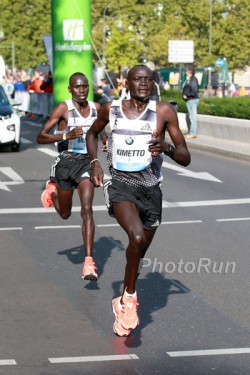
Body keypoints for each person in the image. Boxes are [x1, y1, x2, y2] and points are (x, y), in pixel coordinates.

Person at [86, 64, 191, 336]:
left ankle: (121, 301)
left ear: (153, 83)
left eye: (148, 79)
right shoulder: (111, 109)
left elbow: (185, 157)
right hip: (122, 186)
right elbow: (92, 133)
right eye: (137, 79)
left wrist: (167, 147)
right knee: (136, 238)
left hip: (151, 190)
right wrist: (96, 162)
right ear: (127, 82)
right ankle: (130, 298)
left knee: (139, 252)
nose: (143, 83)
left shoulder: (164, 111)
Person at [37, 72, 101, 281]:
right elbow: (41, 136)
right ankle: (52, 191)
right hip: (65, 163)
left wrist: (107, 139)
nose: (82, 90)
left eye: (85, 87)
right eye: (77, 87)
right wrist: (66, 135)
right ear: (70, 89)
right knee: (65, 214)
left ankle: (89, 263)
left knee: (87, 209)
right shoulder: (63, 108)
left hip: (86, 162)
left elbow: (99, 131)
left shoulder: (96, 108)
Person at [182, 66, 199, 139]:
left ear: (190, 72)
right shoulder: (190, 79)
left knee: (192, 117)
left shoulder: (193, 80)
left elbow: (194, 91)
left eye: (186, 72)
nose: (186, 73)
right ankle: (191, 131)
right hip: (190, 100)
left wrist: (187, 95)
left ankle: (193, 133)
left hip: (192, 100)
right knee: (191, 116)